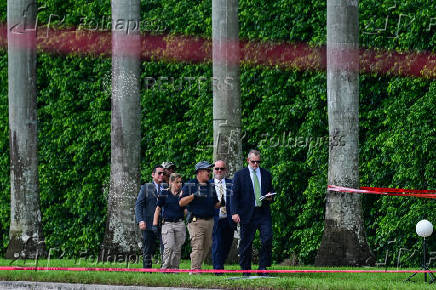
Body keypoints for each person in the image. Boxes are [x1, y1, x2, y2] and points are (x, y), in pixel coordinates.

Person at [231, 150, 274, 275]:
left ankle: (262, 268)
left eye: (258, 162)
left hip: (263, 212)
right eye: (253, 161)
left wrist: (270, 196)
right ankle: (246, 270)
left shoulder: (266, 174)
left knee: (267, 238)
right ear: (248, 161)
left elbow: (271, 192)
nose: (255, 164)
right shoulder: (240, 175)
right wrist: (234, 212)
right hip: (247, 213)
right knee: (246, 242)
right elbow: (234, 196)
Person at [179, 161, 220, 272]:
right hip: (195, 221)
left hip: (210, 221)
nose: (209, 173)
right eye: (207, 170)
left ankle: (198, 268)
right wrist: (193, 196)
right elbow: (181, 202)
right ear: (200, 172)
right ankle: (194, 271)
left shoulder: (211, 186)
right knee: (197, 246)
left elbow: (216, 204)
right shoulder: (190, 185)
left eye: (209, 170)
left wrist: (223, 202)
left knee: (206, 247)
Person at [153, 173, 186, 270]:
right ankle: (165, 268)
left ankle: (175, 269)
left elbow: (185, 210)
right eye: (177, 182)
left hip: (179, 223)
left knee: (177, 248)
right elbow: (158, 209)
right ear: (170, 182)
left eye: (180, 182)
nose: (179, 184)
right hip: (167, 224)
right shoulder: (164, 193)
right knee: (169, 247)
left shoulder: (183, 194)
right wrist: (155, 224)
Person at [135, 165, 165, 269]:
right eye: (159, 173)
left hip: (163, 222)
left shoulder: (166, 187)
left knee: (165, 247)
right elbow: (139, 204)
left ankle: (164, 269)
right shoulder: (146, 187)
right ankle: (147, 270)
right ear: (153, 175)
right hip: (148, 222)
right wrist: (140, 220)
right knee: (148, 248)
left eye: (163, 173)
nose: (162, 175)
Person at [211, 160, 236, 272]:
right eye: (217, 168)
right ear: (213, 170)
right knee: (217, 243)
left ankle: (220, 263)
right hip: (215, 218)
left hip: (229, 219)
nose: (219, 171)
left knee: (227, 244)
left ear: (226, 170)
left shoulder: (232, 183)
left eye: (222, 168)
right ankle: (218, 269)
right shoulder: (208, 184)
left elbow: (237, 200)